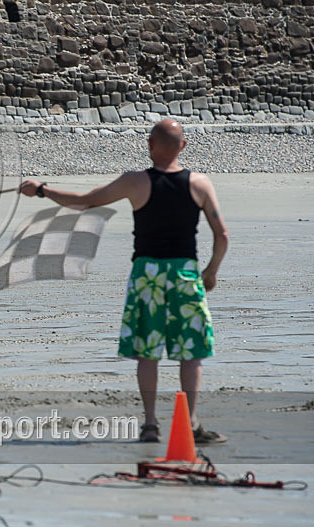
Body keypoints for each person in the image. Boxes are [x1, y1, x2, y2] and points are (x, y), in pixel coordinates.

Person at [20, 119, 229, 444]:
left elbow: (83, 201)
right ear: (183, 146)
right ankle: (189, 424)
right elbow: (222, 234)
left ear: (150, 145)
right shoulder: (200, 183)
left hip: (147, 274)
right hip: (184, 273)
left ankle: (150, 425)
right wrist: (210, 272)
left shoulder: (135, 182)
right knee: (190, 353)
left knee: (147, 353)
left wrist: (41, 190)